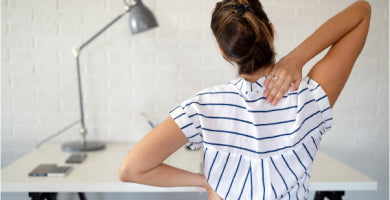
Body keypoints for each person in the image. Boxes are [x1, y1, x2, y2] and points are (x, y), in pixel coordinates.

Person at [119, 0, 371, 199]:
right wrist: (296, 59)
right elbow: (361, 11)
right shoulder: (309, 99)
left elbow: (131, 169)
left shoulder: (203, 107)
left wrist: (205, 182)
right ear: (271, 31)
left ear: (225, 54)